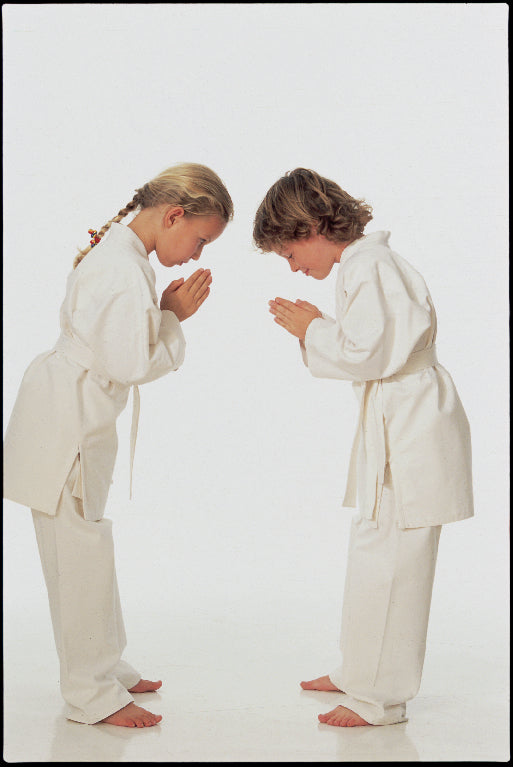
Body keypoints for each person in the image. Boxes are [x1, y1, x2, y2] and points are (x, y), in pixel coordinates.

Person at [3, 162, 233, 728]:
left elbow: (118, 348)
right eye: (201, 239)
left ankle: (106, 667)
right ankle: (91, 693)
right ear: (174, 215)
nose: (198, 254)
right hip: (68, 421)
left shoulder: (123, 259)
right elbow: (132, 363)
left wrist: (162, 314)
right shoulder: (122, 269)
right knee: (77, 553)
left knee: (85, 543)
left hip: (74, 412)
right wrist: (174, 318)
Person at [253, 167, 473, 727]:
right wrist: (318, 328)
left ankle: (381, 698)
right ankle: (359, 672)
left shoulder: (371, 266)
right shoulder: (363, 266)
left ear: (309, 228)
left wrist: (311, 328)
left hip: (411, 422)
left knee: (397, 558)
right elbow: (373, 349)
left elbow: (369, 354)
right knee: (374, 548)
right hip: (396, 415)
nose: (293, 267)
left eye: (289, 253)